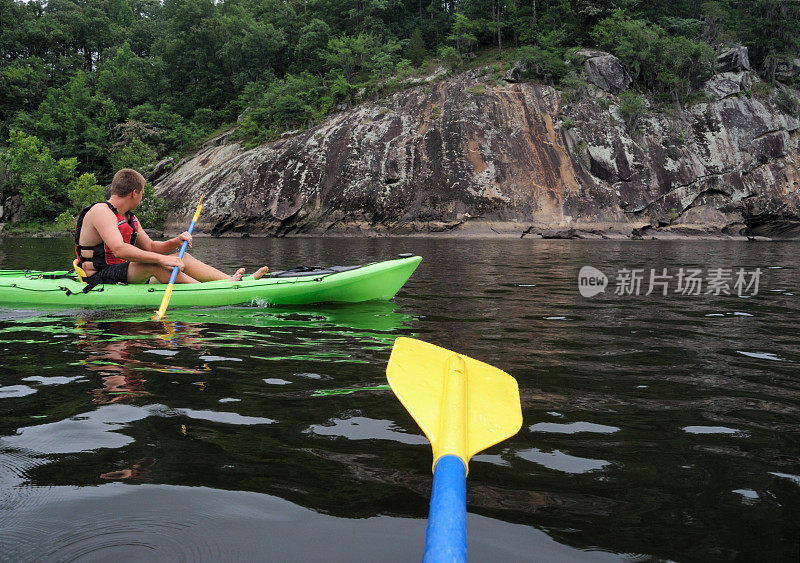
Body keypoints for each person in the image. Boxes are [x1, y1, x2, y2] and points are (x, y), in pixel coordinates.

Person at [74, 168, 268, 285]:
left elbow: (150, 247)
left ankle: (230, 281)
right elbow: (119, 249)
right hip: (99, 275)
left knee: (182, 257)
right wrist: (161, 260)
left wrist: (176, 241)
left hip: (123, 270)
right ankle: (213, 291)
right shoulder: (101, 211)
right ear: (135, 193)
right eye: (142, 194)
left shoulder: (128, 217)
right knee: (160, 266)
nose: (141, 199)